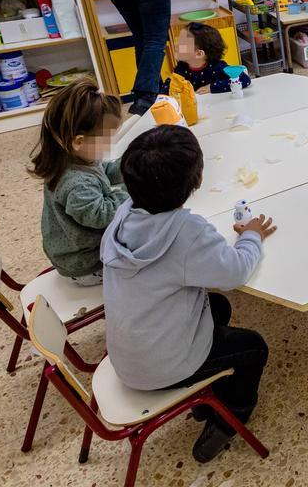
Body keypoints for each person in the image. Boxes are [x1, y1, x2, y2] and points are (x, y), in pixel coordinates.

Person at [100, 125, 277, 463]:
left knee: (218, 305)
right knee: (254, 347)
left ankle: (206, 388)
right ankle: (229, 417)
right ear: (196, 181)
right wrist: (252, 235)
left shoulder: (122, 215)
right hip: (162, 366)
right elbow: (236, 270)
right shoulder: (187, 231)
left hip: (127, 355)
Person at [29, 78, 126, 286]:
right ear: (79, 141)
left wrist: (130, 167)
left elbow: (104, 170)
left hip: (76, 252)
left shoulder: (76, 157)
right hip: (86, 265)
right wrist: (134, 190)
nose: (110, 144)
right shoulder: (75, 182)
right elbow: (103, 215)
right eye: (107, 139)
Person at [171, 22, 248, 95]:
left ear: (199, 54)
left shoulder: (217, 67)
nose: (176, 46)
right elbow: (169, 87)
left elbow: (244, 79)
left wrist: (212, 87)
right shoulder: (180, 68)